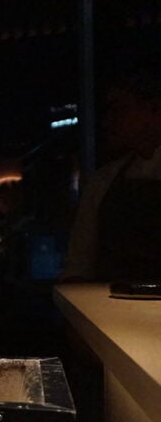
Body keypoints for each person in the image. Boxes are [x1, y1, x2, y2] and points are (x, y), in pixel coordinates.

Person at [60, 50, 161, 283]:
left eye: (118, 109)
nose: (107, 121)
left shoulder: (104, 180)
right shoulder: (104, 180)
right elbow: (78, 265)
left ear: (153, 109)